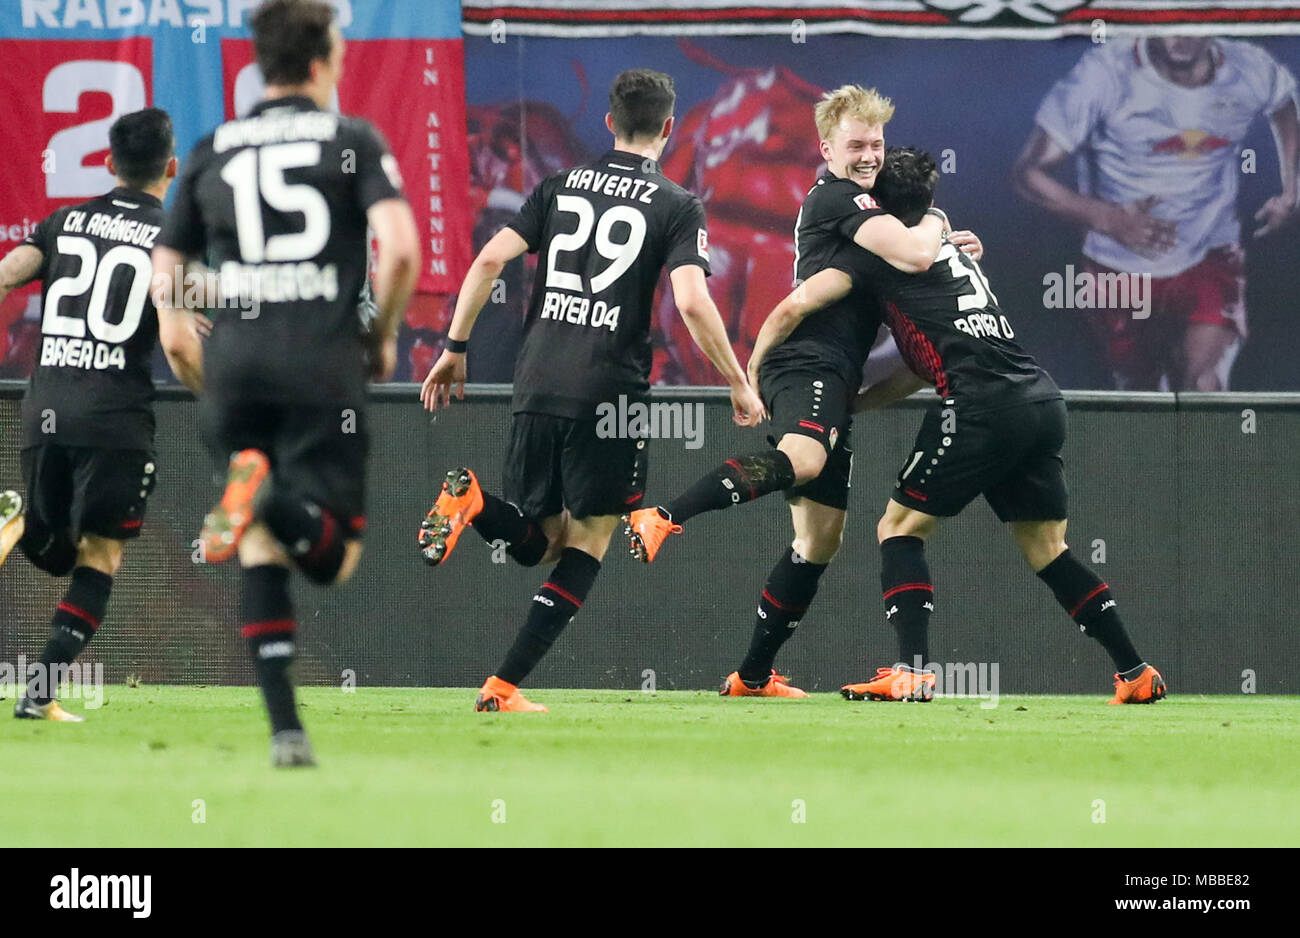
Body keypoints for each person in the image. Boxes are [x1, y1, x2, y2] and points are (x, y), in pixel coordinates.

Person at [417, 68, 764, 712]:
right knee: (588, 541)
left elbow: (490, 259)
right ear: (668, 127)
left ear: (608, 123)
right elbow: (690, 300)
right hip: (609, 393)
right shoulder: (677, 203)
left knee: (537, 540)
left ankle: (472, 505)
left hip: (537, 378)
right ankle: (502, 686)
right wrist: (738, 382)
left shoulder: (556, 185)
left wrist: (454, 348)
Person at [795, 147, 1166, 705]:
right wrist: (861, 403)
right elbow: (922, 364)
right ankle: (1136, 671)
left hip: (980, 405)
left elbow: (831, 305)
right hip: (1039, 400)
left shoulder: (883, 256)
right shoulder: (951, 250)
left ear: (876, 209)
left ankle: (912, 672)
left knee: (898, 529)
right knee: (1049, 548)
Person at [151, 0, 420, 765]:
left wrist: (218, 318)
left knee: (261, 549)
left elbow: (165, 278)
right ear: (318, 61)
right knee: (332, 560)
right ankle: (261, 493)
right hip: (319, 368)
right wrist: (382, 333)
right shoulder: (351, 140)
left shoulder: (212, 147)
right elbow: (398, 251)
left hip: (234, 369)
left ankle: (286, 732)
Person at [623, 85, 953, 698]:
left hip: (826, 371)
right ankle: (665, 514)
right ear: (827, 148)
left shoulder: (858, 205)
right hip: (810, 364)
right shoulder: (839, 198)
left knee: (817, 542)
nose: (869, 156)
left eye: (875, 144)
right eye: (856, 145)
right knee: (806, 459)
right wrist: (751, 373)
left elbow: (899, 257)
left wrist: (949, 244)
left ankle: (752, 676)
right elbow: (900, 259)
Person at [0, 108, 177, 721]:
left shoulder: (63, 220)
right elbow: (181, 340)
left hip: (44, 408)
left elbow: (5, 277)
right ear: (171, 168)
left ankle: (13, 522)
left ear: (108, 163)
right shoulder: (172, 237)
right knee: (97, 558)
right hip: (114, 419)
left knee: (52, 549)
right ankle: (39, 695)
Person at [1014, 35, 1298, 391]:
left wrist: (1290, 190)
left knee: (1203, 384)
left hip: (1209, 253)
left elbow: (1283, 103)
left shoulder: (1249, 67)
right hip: (1119, 270)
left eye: (1189, 20)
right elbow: (1028, 173)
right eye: (1169, 21)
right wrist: (1111, 219)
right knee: (1139, 391)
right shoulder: (1105, 74)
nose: (1180, 36)